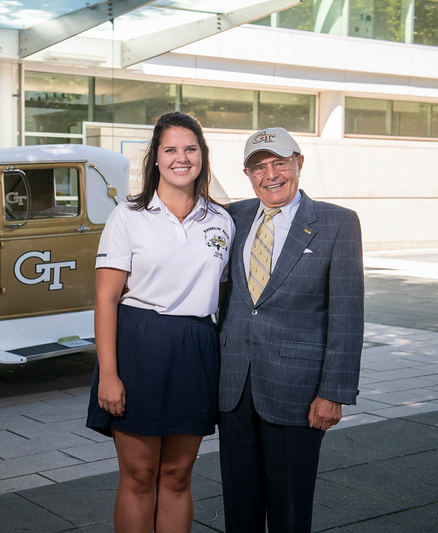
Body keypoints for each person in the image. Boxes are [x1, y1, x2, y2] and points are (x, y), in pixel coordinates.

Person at [86, 111, 234, 532]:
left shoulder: (222, 221)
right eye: (170, 150)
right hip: (139, 347)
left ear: (202, 156)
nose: (180, 158)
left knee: (177, 475)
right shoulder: (128, 216)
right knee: (138, 477)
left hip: (195, 349)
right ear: (155, 159)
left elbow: (221, 296)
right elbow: (105, 298)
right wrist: (110, 374)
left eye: (190, 149)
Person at [217, 127, 364, 532]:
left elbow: (347, 314)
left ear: (298, 163)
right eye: (259, 167)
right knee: (239, 505)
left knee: (290, 508)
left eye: (280, 163)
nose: (271, 175)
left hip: (297, 391)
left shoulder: (337, 223)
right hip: (233, 389)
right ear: (247, 174)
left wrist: (333, 392)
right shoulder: (232, 216)